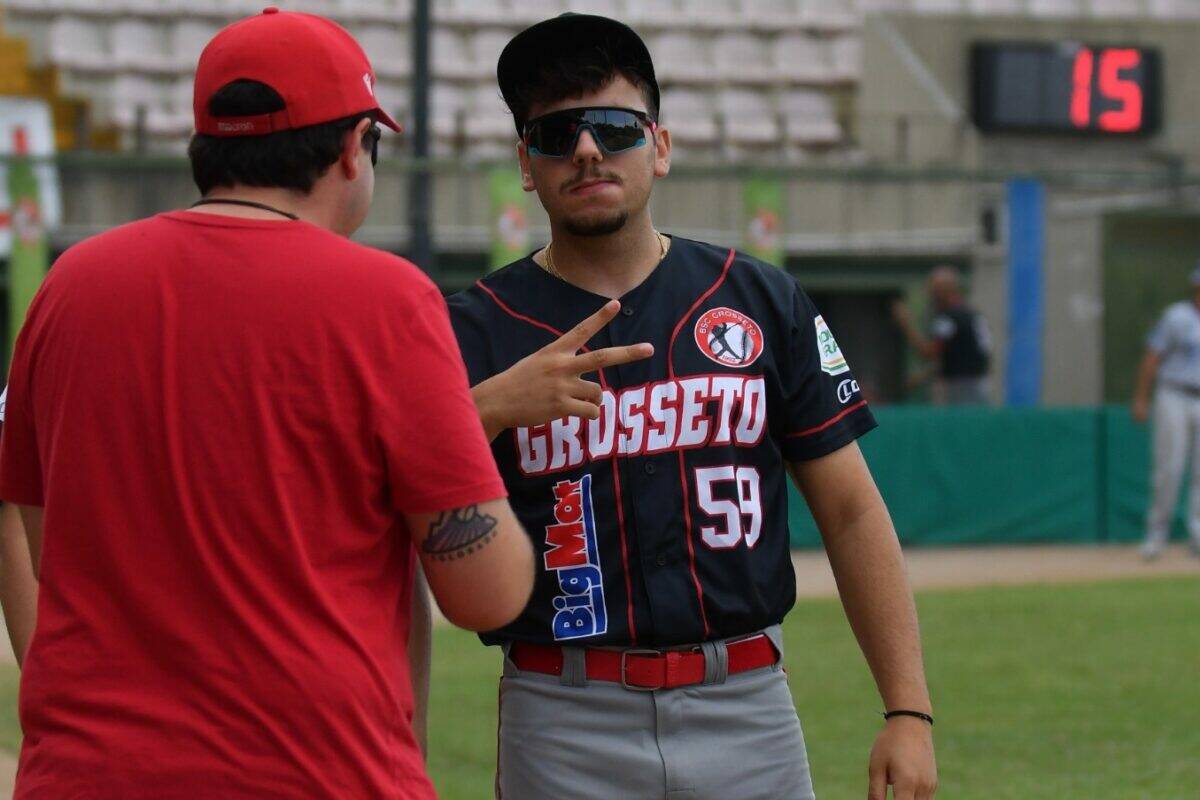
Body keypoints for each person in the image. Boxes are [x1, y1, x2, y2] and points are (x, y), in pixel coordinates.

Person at [0, 9, 533, 798]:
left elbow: (54, 554)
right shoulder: (386, 300)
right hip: (316, 774)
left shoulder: (71, 284)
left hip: (91, 774)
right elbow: (486, 591)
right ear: (354, 150)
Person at [447, 14, 937, 800]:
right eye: (554, 134)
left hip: (745, 701)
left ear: (661, 147)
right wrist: (488, 408)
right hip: (559, 712)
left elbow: (849, 511)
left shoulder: (759, 297)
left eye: (614, 127)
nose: (585, 150)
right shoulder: (472, 326)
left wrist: (908, 709)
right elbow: (392, 498)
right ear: (527, 166)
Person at [1131, 265, 1200, 560]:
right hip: (1174, 393)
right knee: (1169, 467)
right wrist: (1141, 398)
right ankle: (1156, 534)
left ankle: (1197, 535)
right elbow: (1152, 356)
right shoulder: (1177, 316)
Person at [893, 265, 992, 405]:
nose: (931, 297)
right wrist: (923, 376)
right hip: (979, 384)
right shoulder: (971, 314)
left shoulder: (949, 318)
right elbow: (960, 356)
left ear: (944, 291)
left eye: (934, 292)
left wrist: (906, 325)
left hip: (961, 388)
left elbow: (929, 352)